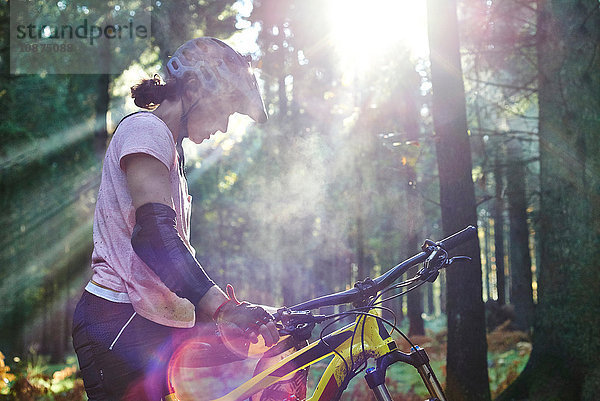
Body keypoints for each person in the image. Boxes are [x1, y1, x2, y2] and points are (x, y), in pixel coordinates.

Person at [72, 37, 279, 401]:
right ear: (195, 87)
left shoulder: (170, 153)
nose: (226, 126)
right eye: (226, 109)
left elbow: (168, 259)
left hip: (148, 321)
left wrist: (227, 313)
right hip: (118, 320)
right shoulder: (146, 130)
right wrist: (223, 308)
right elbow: (153, 236)